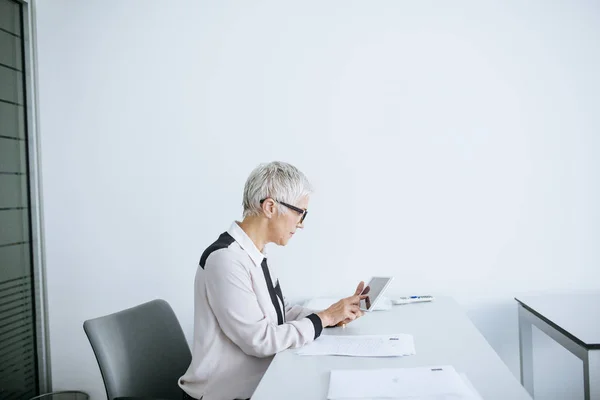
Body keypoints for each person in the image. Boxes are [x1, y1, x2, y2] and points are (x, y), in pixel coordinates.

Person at [179, 161, 366, 400]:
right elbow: (260, 341)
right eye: (300, 213)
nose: (302, 224)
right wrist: (324, 318)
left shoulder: (254, 254)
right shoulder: (225, 260)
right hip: (224, 394)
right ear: (270, 207)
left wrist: (332, 315)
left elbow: (281, 313)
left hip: (258, 385)